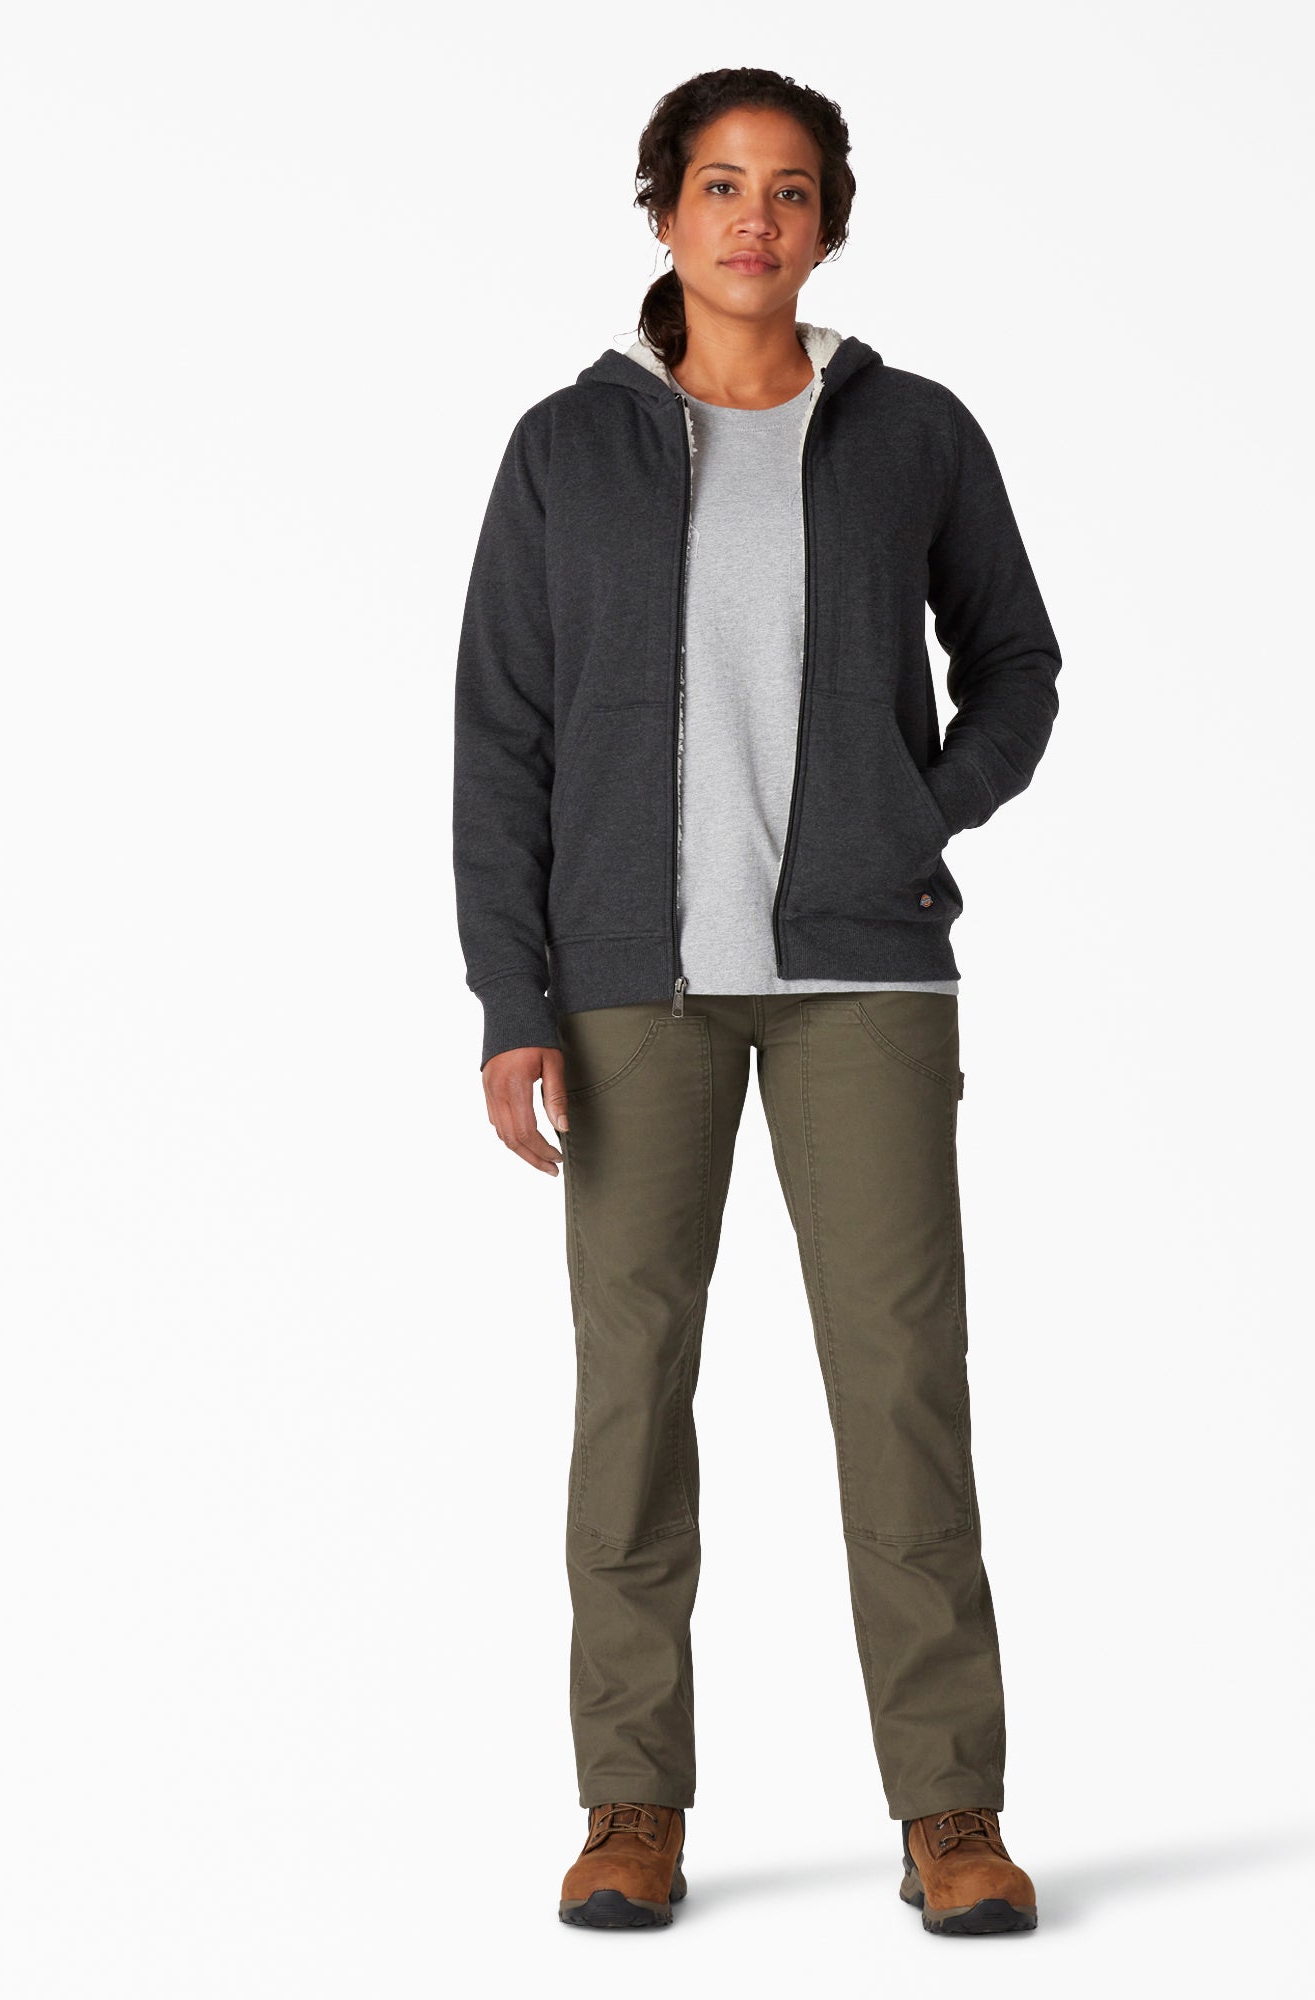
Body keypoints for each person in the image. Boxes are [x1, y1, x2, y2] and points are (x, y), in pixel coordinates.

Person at [452, 68, 1060, 1936]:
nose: (753, 220)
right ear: (664, 213)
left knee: (903, 1391)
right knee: (631, 1399)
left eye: (789, 191)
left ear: (829, 224)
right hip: (628, 991)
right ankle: (629, 1804)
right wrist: (512, 997)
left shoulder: (913, 435)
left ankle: (950, 1812)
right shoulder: (566, 450)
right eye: (719, 186)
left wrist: (912, 809)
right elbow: (501, 738)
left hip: (861, 980)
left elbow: (1018, 666)